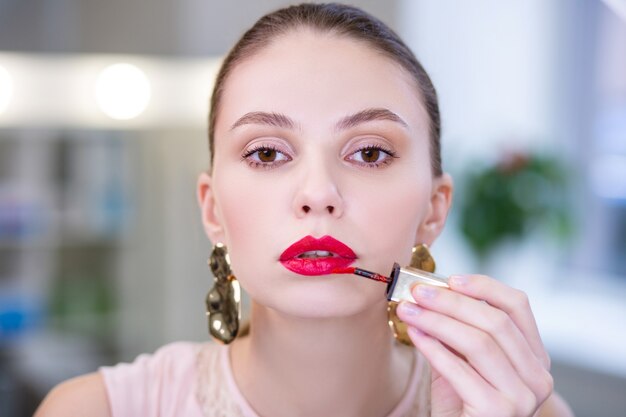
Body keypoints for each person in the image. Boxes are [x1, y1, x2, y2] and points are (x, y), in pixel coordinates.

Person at [35, 3, 574, 416]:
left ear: (434, 209)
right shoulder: (94, 409)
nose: (318, 193)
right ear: (213, 207)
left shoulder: (523, 409)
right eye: (267, 153)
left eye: (369, 153)